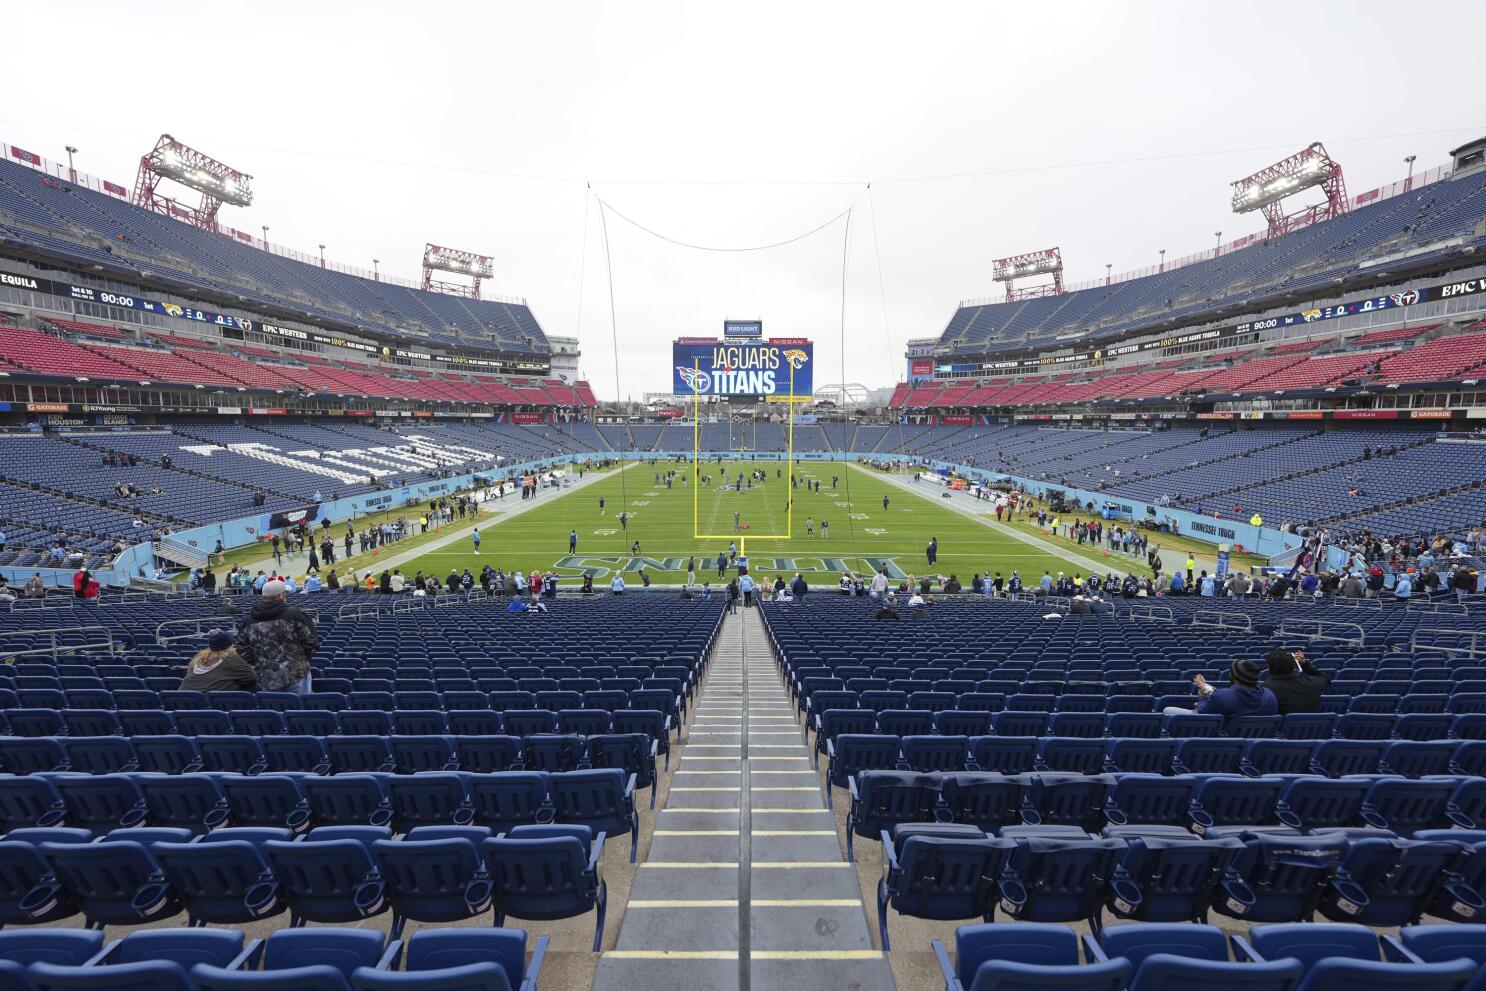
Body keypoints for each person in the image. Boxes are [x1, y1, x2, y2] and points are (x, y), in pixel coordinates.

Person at [235, 579, 319, 695]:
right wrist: (301, 660)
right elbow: (312, 641)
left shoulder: (248, 621)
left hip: (267, 675)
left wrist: (260, 663)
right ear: (280, 595)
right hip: (296, 673)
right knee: (301, 710)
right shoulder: (294, 615)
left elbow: (242, 650)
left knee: (275, 710)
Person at [1165, 658, 1278, 721]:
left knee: (1167, 710)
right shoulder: (1270, 695)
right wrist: (1207, 688)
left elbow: (1201, 713)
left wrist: (1203, 695)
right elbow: (1226, 697)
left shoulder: (1223, 697)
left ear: (1234, 676)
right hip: (1256, 741)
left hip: (1227, 736)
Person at [179, 629, 258, 693]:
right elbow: (251, 678)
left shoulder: (198, 658)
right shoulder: (231, 658)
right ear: (230, 645)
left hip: (183, 700)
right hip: (209, 703)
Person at [1264, 649, 1329, 715]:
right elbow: (1325, 677)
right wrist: (1305, 664)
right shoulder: (1312, 683)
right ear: (1293, 665)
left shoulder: (1265, 689)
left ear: (1269, 668)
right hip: (1314, 724)